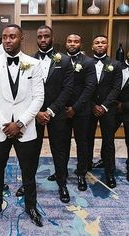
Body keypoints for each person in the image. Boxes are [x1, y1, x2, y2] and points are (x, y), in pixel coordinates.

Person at [0, 24, 44, 227]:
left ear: (21, 38)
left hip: (25, 129)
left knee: (28, 171)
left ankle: (31, 207)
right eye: (4, 37)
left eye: (12, 37)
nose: (7, 40)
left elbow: (38, 98)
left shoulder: (33, 64)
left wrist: (20, 123)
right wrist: (3, 124)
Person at [16, 25, 74, 203]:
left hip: (56, 114)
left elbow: (68, 89)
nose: (43, 40)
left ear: (52, 37)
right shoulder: (28, 61)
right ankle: (27, 183)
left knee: (60, 150)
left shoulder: (64, 61)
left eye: (46, 36)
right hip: (34, 114)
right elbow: (24, 90)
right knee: (31, 151)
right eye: (40, 37)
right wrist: (36, 112)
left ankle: (62, 183)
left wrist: (50, 111)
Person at [60, 33, 97, 191]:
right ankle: (61, 172)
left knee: (82, 143)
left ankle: (81, 173)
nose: (72, 44)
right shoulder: (59, 59)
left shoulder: (88, 62)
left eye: (76, 41)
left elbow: (90, 87)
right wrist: (62, 107)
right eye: (69, 41)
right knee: (62, 143)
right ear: (65, 43)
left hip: (81, 111)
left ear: (81, 44)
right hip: (62, 109)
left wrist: (75, 108)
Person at [88, 35, 122, 188]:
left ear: (107, 45)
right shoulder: (86, 63)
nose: (100, 45)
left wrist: (104, 106)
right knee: (87, 139)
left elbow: (116, 88)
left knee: (108, 141)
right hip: (89, 108)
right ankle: (86, 166)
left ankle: (109, 173)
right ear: (92, 46)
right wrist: (93, 105)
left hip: (108, 110)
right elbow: (82, 87)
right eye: (97, 43)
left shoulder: (115, 64)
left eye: (103, 43)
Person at [115, 52, 129, 182]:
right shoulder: (118, 66)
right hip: (113, 109)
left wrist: (124, 106)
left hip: (127, 109)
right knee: (107, 138)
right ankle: (105, 160)